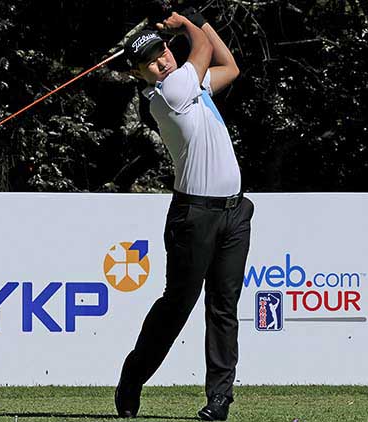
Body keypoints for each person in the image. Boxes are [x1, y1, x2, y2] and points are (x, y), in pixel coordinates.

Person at [114, 9, 254, 421]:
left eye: (164, 52)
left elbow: (229, 66)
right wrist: (189, 22)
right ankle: (133, 375)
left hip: (234, 212)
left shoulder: (193, 89)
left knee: (224, 306)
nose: (163, 60)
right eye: (151, 61)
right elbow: (206, 47)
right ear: (140, 73)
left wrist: (195, 22)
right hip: (194, 216)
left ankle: (219, 400)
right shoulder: (168, 93)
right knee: (178, 304)